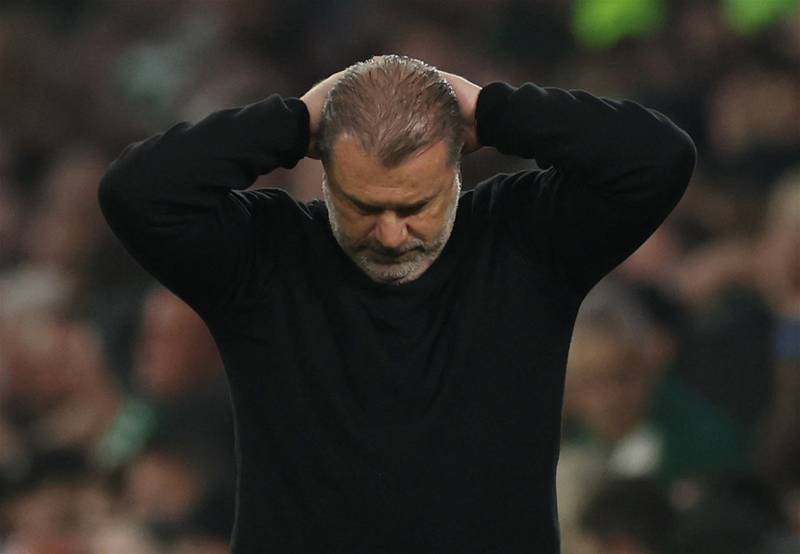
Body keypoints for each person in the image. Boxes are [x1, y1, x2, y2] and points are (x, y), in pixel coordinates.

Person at [97, 54, 696, 553]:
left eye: (414, 207)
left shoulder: (525, 242)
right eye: (362, 205)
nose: (389, 235)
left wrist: (494, 110)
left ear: (458, 166)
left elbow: (658, 158)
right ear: (324, 172)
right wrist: (294, 120)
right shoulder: (264, 257)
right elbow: (135, 192)